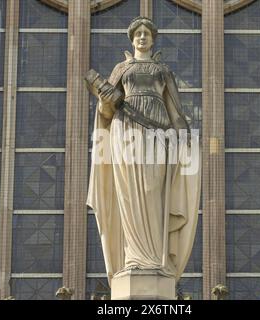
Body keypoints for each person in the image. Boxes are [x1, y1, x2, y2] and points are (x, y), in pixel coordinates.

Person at [87, 17, 201, 285]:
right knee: (127, 195)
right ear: (131, 39)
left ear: (153, 39)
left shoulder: (162, 71)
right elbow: (106, 112)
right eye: (137, 33)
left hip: (157, 135)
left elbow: (175, 110)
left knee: (153, 192)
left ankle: (154, 259)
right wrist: (104, 102)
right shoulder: (121, 69)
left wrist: (185, 138)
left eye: (146, 33)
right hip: (125, 134)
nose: (141, 37)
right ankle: (133, 258)